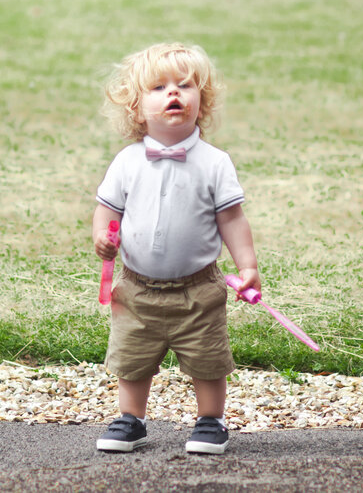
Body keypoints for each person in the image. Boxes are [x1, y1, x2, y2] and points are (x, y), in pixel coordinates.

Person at [91, 42, 260, 455]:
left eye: (185, 85)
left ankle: (210, 420)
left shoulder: (214, 163)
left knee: (208, 358)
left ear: (201, 100)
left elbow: (232, 218)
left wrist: (248, 265)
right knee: (132, 358)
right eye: (159, 87)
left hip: (197, 290)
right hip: (137, 290)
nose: (173, 93)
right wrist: (103, 238)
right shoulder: (128, 161)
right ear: (135, 106)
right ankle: (131, 419)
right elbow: (106, 210)